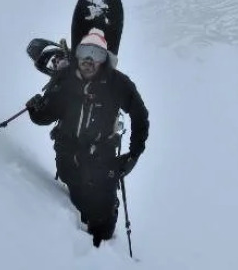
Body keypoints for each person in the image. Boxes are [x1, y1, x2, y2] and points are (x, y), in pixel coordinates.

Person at [25, 28, 149, 247]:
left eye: (97, 54)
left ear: (104, 59)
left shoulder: (118, 83)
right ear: (77, 55)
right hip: (68, 152)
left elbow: (140, 115)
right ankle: (78, 233)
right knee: (79, 197)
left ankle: (101, 245)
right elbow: (46, 116)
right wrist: (35, 110)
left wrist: (134, 154)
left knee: (103, 228)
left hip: (103, 155)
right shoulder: (66, 82)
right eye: (85, 52)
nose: (90, 60)